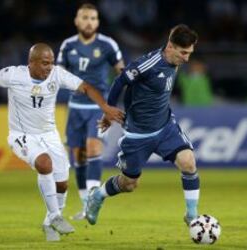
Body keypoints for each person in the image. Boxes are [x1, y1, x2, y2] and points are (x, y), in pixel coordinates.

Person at [0, 43, 124, 242]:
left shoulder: (57, 74)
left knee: (62, 184)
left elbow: (86, 87)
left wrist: (105, 107)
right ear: (31, 63)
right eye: (45, 63)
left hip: (49, 135)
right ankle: (56, 216)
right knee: (44, 163)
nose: (49, 67)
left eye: (51, 63)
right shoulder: (14, 75)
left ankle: (48, 223)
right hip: (22, 135)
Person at [85, 24, 201, 227]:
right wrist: (108, 110)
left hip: (165, 127)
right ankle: (98, 195)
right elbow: (120, 81)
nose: (186, 58)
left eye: (190, 53)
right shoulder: (147, 65)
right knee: (129, 184)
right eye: (184, 52)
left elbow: (175, 31)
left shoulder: (175, 59)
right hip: (137, 134)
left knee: (188, 162)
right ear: (170, 47)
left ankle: (192, 216)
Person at [56, 3, 125, 220]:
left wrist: (118, 101)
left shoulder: (107, 44)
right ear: (77, 21)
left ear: (98, 22)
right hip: (75, 107)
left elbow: (122, 74)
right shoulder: (68, 46)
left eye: (93, 18)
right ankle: (86, 204)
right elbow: (58, 74)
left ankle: (94, 200)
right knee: (78, 155)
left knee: (93, 148)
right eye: (85, 17)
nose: (89, 21)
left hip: (98, 107)